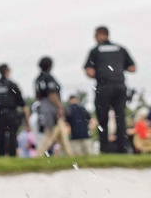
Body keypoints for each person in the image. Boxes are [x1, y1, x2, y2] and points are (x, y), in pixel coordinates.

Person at [84, 26, 137, 154]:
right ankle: (122, 148)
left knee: (103, 119)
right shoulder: (120, 48)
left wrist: (101, 71)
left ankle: (105, 149)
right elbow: (133, 68)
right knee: (120, 118)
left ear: (99, 35)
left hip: (103, 87)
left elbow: (89, 71)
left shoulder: (95, 51)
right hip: (120, 86)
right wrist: (118, 67)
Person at [33, 57, 72, 157]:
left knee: (61, 133)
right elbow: (52, 94)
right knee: (50, 134)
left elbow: (38, 96)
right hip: (51, 108)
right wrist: (60, 107)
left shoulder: (38, 79)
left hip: (43, 107)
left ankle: (70, 155)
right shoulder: (49, 78)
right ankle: (38, 155)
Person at [0, 64, 28, 157]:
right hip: (11, 113)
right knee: (12, 134)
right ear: (7, 71)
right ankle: (12, 155)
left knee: (0, 135)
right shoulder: (12, 85)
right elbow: (21, 102)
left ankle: (1, 155)